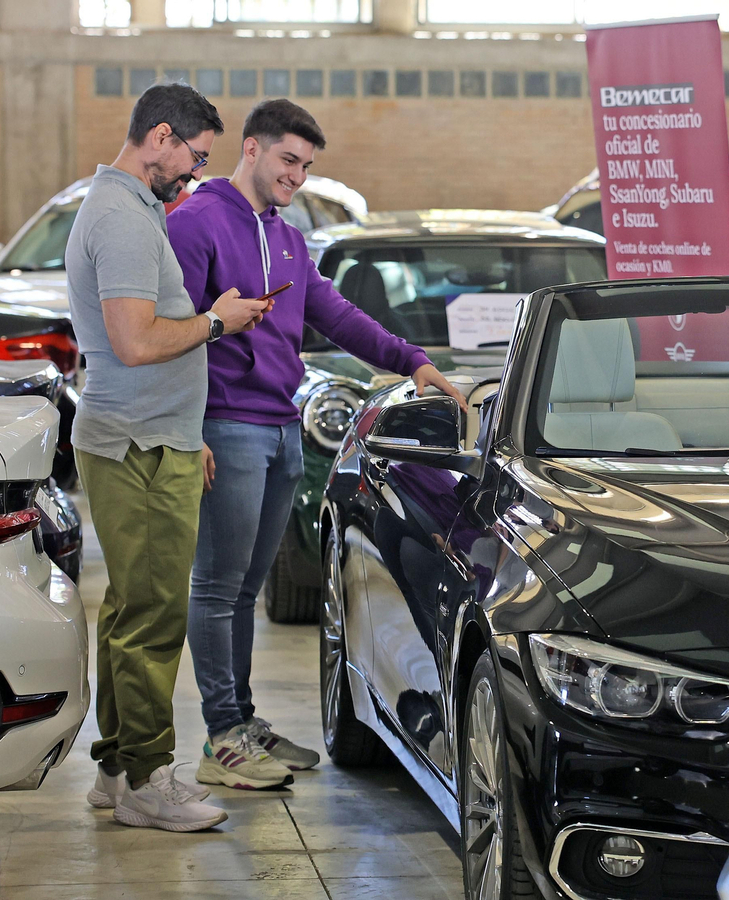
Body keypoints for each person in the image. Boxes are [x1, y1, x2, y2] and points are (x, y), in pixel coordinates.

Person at [167, 98, 464, 791]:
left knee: (247, 590)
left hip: (278, 424)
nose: (296, 177)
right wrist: (185, 427)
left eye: (306, 166)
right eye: (287, 161)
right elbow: (170, 331)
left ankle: (241, 720)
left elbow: (334, 312)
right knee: (216, 584)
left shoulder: (289, 235)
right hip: (226, 425)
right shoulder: (198, 222)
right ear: (251, 149)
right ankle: (220, 741)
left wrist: (409, 359)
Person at [67, 82, 271, 831]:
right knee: (153, 614)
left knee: (129, 607)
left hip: (158, 438)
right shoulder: (121, 217)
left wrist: (194, 431)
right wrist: (218, 322)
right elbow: (136, 341)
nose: (194, 175)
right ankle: (151, 779)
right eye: (193, 157)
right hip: (138, 447)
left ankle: (117, 769)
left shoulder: (134, 207)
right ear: (159, 137)